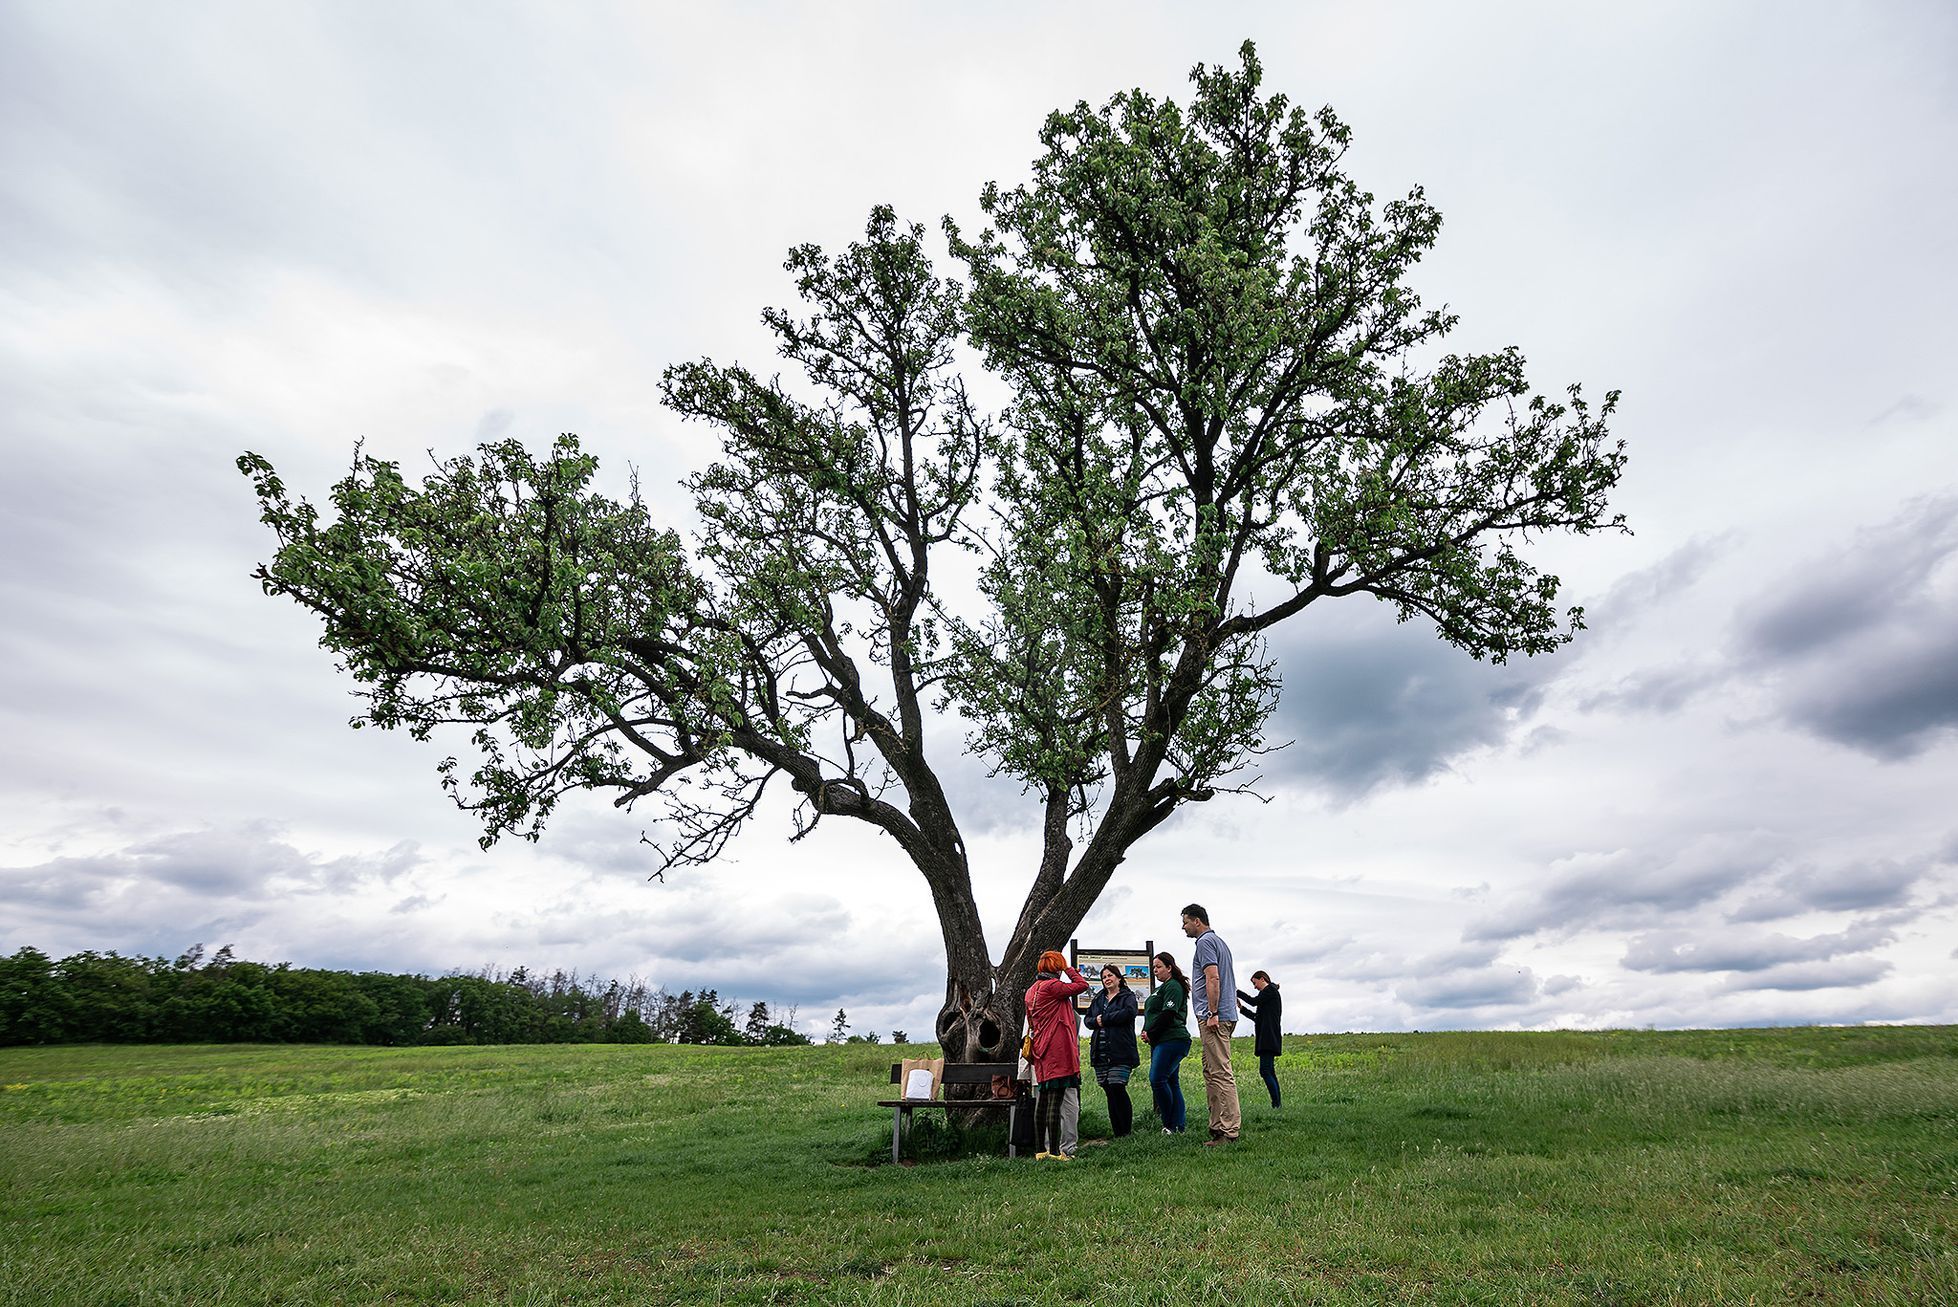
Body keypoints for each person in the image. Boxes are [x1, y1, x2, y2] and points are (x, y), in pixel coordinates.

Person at [1181, 903, 1240, 1145]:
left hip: (1214, 1017)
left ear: (1197, 921)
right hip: (1220, 1015)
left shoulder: (1205, 942)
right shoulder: (1219, 942)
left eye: (1185, 922)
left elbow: (1213, 976)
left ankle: (1229, 1131)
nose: (1182, 927)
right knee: (1211, 1072)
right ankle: (1217, 1127)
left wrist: (1212, 1012)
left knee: (1221, 1073)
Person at [1024, 949, 1088, 1160]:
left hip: (1041, 1049)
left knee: (1042, 1100)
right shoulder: (1053, 987)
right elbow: (1082, 985)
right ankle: (1055, 1152)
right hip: (1057, 1048)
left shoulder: (1031, 990)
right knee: (1055, 1098)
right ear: (1056, 968)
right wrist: (1068, 968)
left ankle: (1039, 1150)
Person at [1084, 962, 1140, 1137]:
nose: (1107, 979)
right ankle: (1117, 1132)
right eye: (1103, 977)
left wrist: (1104, 1019)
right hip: (1100, 1052)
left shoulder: (1127, 997)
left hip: (1121, 1051)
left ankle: (1126, 1131)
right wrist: (1097, 1021)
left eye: (1110, 976)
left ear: (1118, 978)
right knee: (1108, 1089)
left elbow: (1128, 1014)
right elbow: (1088, 1020)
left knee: (1117, 1086)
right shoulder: (1099, 998)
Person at [1138, 950, 1191, 1133]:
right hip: (1160, 1041)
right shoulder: (1160, 988)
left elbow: (1168, 1014)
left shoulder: (1174, 986)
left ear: (1169, 967)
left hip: (1172, 1039)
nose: (1155, 970)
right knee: (1171, 1082)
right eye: (1153, 967)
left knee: (1157, 1079)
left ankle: (1169, 1123)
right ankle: (1178, 1125)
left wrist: (1151, 1032)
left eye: (1159, 966)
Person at [1235, 969, 1283, 1109]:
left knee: (1265, 1071)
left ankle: (1276, 1104)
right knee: (1269, 1071)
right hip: (1268, 1037)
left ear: (1262, 979)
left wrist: (1236, 991)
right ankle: (1277, 1104)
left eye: (1255, 983)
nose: (1255, 987)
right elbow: (1257, 1017)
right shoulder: (1268, 994)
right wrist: (1241, 1008)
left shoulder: (1270, 991)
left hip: (1268, 1038)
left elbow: (1253, 1001)